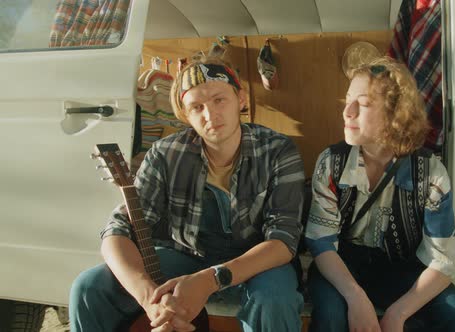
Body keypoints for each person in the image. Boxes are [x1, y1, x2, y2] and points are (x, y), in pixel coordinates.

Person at [69, 56, 305, 332]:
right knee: (87, 288)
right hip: (187, 256)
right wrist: (150, 299)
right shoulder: (166, 153)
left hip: (256, 260)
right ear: (185, 114)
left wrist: (208, 280)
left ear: (240, 99)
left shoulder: (277, 150)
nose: (210, 115)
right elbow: (117, 230)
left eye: (220, 100)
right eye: (197, 107)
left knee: (275, 298)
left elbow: (283, 241)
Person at [304, 56, 455, 332]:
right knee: (331, 317)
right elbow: (321, 243)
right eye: (346, 101)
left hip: (401, 270)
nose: (347, 112)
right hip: (341, 265)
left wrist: (399, 313)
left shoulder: (431, 174)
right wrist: (356, 296)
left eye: (361, 104)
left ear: (395, 113)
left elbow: (442, 260)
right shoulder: (331, 163)